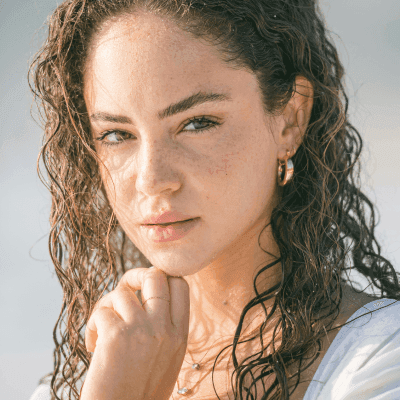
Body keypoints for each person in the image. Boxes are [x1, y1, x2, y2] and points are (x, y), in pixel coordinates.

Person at [28, 0, 400, 399]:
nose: (152, 180)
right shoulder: (84, 381)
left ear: (290, 120)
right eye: (117, 135)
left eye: (197, 123)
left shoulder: (378, 362)